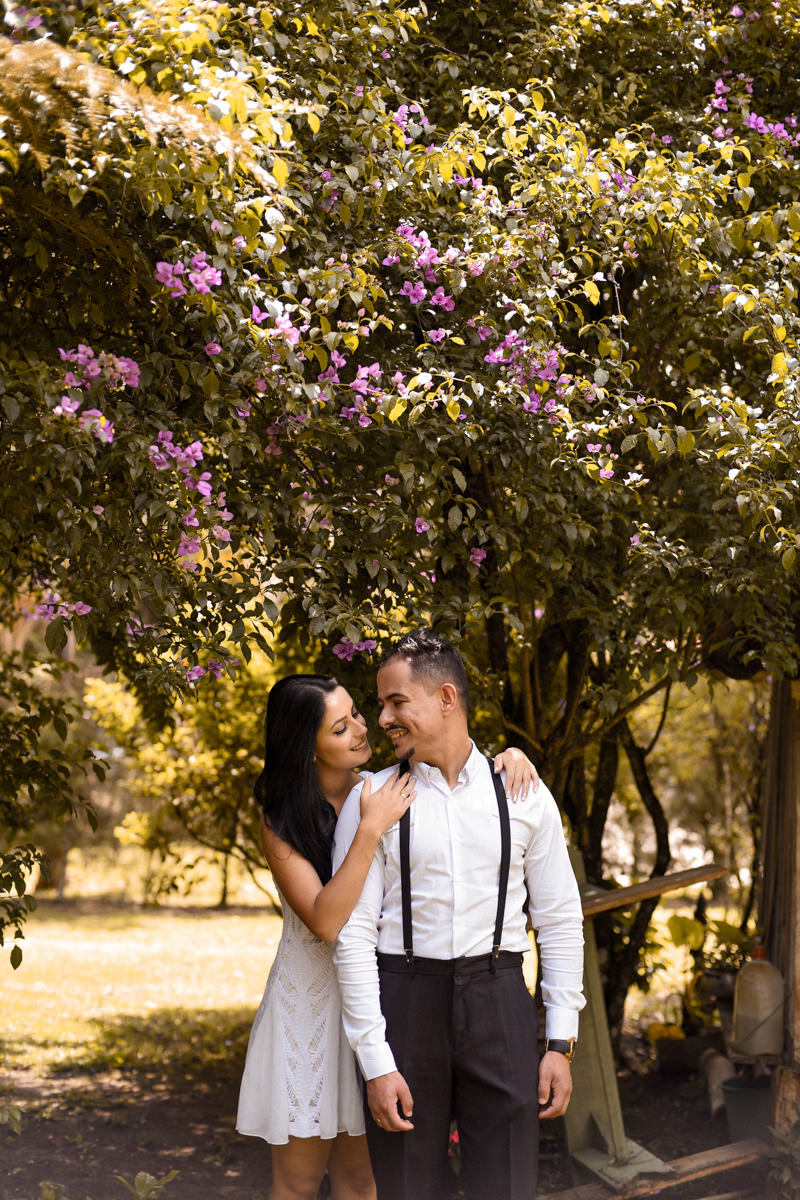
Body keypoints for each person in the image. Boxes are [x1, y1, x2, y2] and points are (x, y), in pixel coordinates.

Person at [236, 672, 539, 1200]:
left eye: (355, 713)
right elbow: (326, 922)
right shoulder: (281, 817)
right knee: (298, 1182)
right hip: (310, 1010)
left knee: (364, 1180)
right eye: (339, 728)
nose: (361, 729)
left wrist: (508, 757)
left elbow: (456, 772)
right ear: (306, 748)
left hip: (378, 1005)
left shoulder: (380, 788)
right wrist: (369, 829)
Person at [332, 631, 585, 1200]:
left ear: (446, 698)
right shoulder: (371, 799)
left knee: (507, 1183)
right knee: (407, 1186)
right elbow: (353, 936)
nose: (384, 718)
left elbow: (560, 918)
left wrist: (559, 1042)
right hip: (405, 1001)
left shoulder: (523, 792)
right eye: (381, 704)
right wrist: (375, 1061)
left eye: (397, 702)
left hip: (499, 1000)